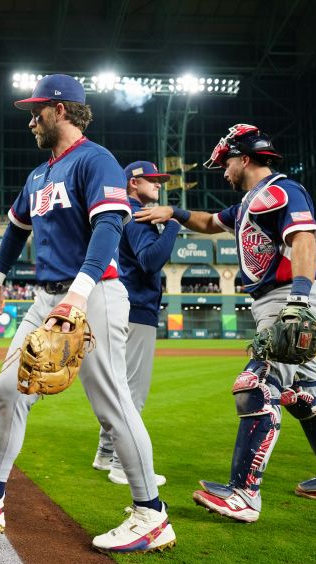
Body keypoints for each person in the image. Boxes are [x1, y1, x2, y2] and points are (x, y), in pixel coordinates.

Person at [0, 75, 176, 554]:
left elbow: (108, 227)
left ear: (61, 109)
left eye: (37, 109)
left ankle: (151, 514)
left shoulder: (95, 159)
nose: (30, 118)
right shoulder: (40, 174)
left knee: (112, 405)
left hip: (95, 294)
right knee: (7, 387)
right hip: (46, 297)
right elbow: (15, 229)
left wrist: (78, 296)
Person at [137, 124, 316, 520]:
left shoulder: (280, 190)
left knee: (256, 385)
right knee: (305, 392)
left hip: (290, 298)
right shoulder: (251, 201)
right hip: (275, 300)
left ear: (245, 158)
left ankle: (244, 494)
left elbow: (304, 240)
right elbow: (209, 222)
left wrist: (298, 301)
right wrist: (174, 212)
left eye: (227, 162)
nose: (224, 170)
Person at [92, 161, 180, 486]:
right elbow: (150, 260)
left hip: (120, 305)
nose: (158, 185)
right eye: (152, 180)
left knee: (118, 384)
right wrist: (172, 225)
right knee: (132, 391)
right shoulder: (138, 214)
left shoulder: (119, 212)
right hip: (136, 307)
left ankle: (104, 454)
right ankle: (120, 464)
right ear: (133, 183)